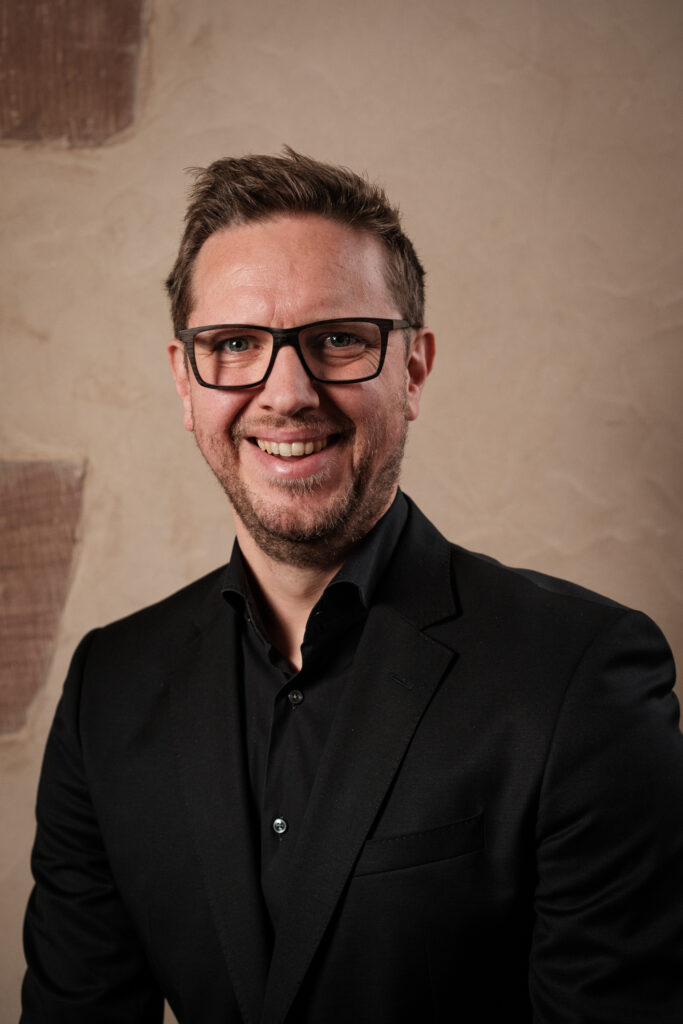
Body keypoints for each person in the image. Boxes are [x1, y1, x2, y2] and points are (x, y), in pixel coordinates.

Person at [21, 149, 683, 1024]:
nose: (287, 394)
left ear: (412, 370)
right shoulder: (108, 688)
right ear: (185, 381)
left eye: (338, 339)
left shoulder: (579, 676)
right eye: (234, 345)